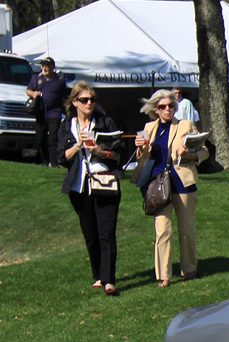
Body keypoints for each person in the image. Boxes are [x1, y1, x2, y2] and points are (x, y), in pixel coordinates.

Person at [57, 81, 125, 296]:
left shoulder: (105, 123)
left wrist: (99, 151)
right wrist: (78, 145)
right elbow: (60, 157)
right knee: (90, 235)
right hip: (79, 187)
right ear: (74, 102)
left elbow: (119, 154)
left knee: (107, 234)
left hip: (104, 183)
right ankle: (98, 275)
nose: (89, 104)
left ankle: (109, 281)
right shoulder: (67, 126)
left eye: (92, 100)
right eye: (84, 100)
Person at [135, 89, 206, 287]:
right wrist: (141, 146)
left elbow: (204, 151)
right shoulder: (149, 127)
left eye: (171, 106)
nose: (168, 110)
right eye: (162, 107)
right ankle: (164, 276)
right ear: (155, 109)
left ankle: (189, 269)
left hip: (182, 183)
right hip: (158, 186)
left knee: (186, 230)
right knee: (162, 231)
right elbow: (143, 158)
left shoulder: (185, 125)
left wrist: (189, 154)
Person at [26, 56, 67, 167]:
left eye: (47, 66)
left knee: (53, 138)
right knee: (40, 138)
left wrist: (69, 110)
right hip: (41, 112)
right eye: (43, 66)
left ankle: (54, 162)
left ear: (52, 67)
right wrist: (33, 94)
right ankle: (44, 161)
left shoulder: (59, 81)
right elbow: (28, 90)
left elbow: (64, 98)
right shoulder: (36, 78)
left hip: (54, 112)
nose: (44, 68)